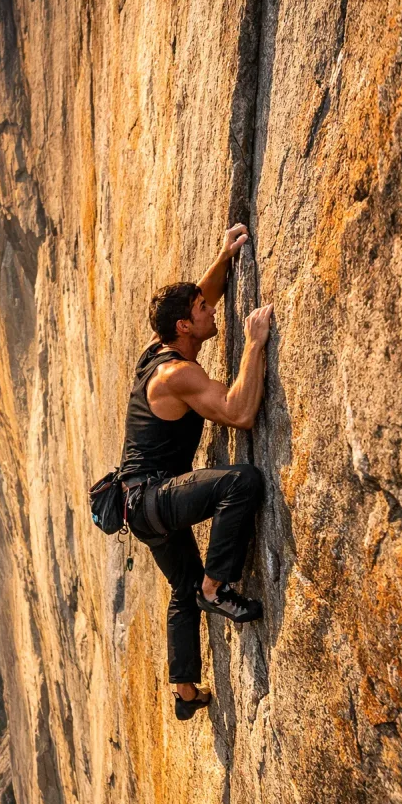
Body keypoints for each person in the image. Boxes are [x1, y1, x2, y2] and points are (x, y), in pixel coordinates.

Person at [118, 224, 272, 720]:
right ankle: (218, 587)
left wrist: (225, 256)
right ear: (184, 327)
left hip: (138, 506)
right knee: (241, 481)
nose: (212, 310)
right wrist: (254, 343)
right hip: (156, 496)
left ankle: (186, 693)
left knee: (180, 590)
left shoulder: (157, 350)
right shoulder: (178, 373)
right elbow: (239, 412)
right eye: (203, 311)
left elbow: (200, 294)